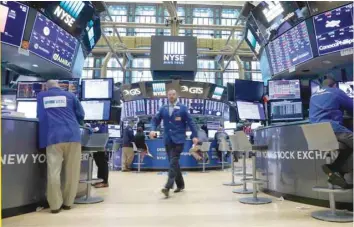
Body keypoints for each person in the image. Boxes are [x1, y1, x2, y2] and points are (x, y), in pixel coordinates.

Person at [37, 80, 85, 214]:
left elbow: (40, 116)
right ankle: (68, 203)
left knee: (54, 172)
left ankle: (55, 205)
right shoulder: (70, 96)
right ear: (59, 86)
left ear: (47, 87)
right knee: (72, 171)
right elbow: (81, 114)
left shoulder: (42, 96)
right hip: (73, 135)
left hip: (53, 137)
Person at [150, 89, 198, 198]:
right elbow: (155, 120)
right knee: (173, 163)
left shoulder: (183, 108)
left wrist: (194, 135)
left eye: (173, 94)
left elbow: (191, 122)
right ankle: (180, 185)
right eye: (169, 94)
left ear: (177, 95)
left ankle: (167, 187)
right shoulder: (163, 108)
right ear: (167, 96)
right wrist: (152, 129)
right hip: (167, 139)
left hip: (179, 139)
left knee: (173, 161)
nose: (171, 96)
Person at [309, 76, 353, 189]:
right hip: (333, 129)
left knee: (348, 147)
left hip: (316, 133)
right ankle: (335, 169)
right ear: (334, 85)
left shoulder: (313, 95)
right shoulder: (336, 92)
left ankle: (335, 169)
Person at [89, 122, 109, 188]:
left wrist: (91, 128)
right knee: (99, 164)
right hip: (95, 145)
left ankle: (104, 182)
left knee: (103, 163)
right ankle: (99, 180)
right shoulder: (94, 124)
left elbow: (100, 131)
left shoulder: (103, 125)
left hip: (101, 145)